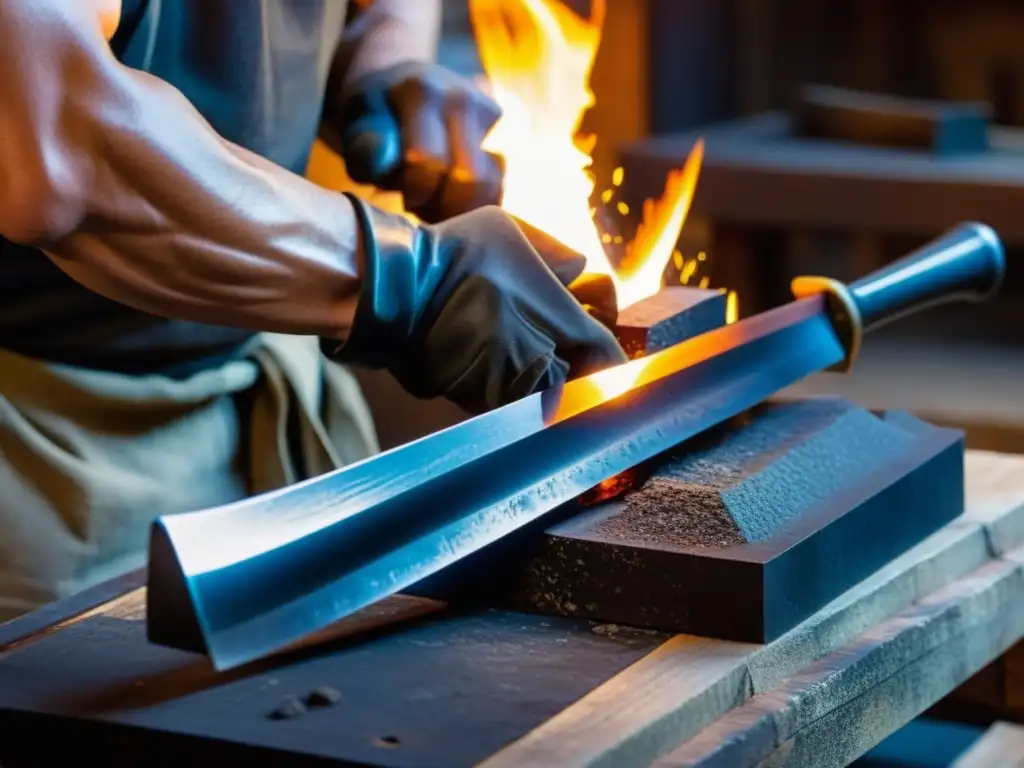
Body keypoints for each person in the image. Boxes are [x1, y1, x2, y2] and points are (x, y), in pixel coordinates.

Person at [0, 0, 626, 622]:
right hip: (42, 463)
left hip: (260, 402)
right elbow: (58, 149)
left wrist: (382, 54)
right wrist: (411, 277)